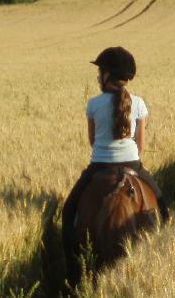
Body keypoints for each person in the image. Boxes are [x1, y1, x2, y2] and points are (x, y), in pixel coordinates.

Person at [62, 46, 169, 254]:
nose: (98, 77)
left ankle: (73, 273)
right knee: (164, 209)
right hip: (132, 164)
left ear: (107, 75)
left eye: (99, 72)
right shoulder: (138, 103)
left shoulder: (93, 104)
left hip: (99, 165)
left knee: (68, 213)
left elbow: (93, 141)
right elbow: (141, 145)